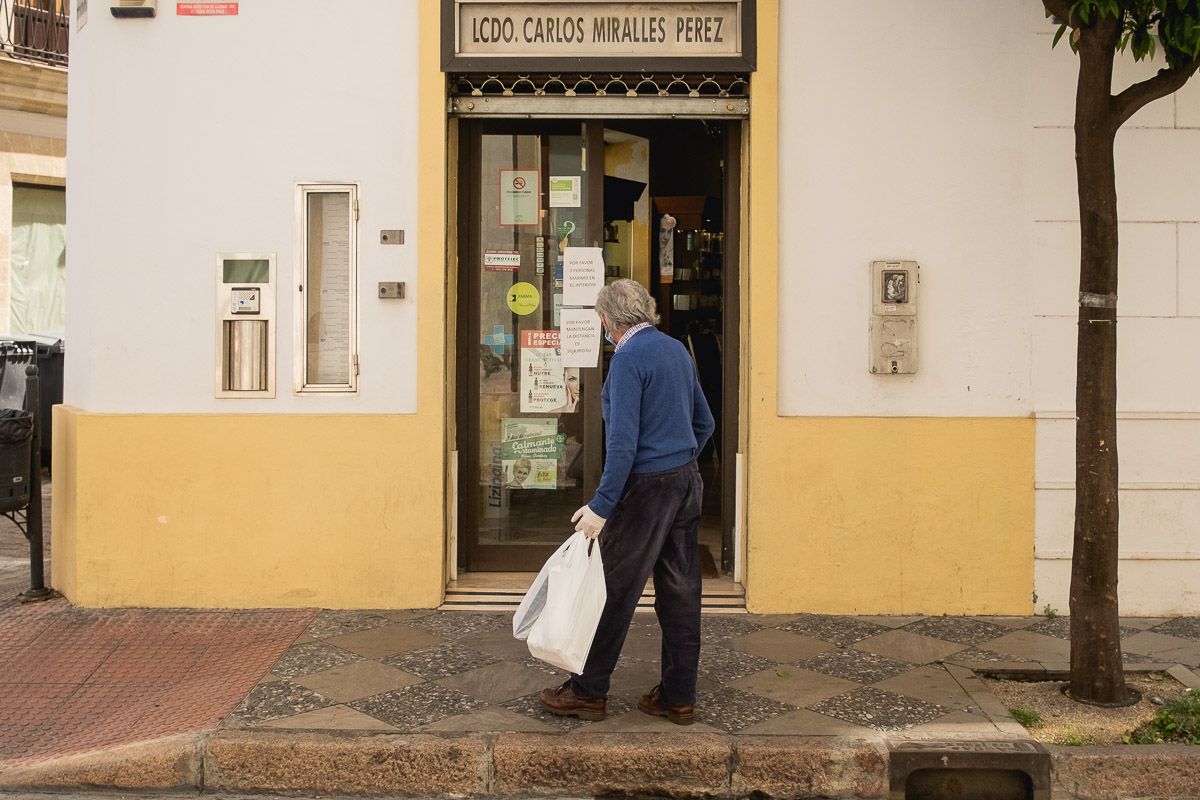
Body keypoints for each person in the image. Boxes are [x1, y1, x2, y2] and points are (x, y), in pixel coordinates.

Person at [539, 279, 714, 725]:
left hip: (646, 489)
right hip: (685, 481)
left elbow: (622, 444)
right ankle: (679, 697)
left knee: (611, 591)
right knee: (680, 592)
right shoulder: (675, 350)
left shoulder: (627, 359)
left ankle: (588, 691)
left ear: (607, 320)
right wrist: (681, 459)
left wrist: (601, 505)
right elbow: (705, 422)